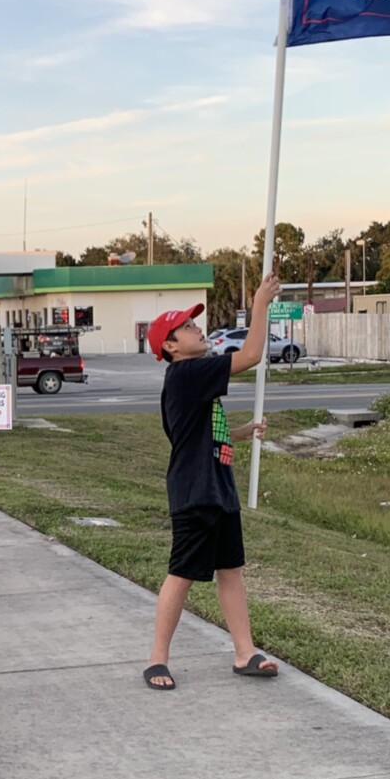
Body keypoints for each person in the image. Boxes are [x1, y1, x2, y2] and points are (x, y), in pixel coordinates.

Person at [142, 272, 282, 691]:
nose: (196, 328)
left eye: (193, 322)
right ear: (170, 346)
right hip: (195, 491)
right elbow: (252, 354)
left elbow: (201, 430)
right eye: (186, 326)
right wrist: (260, 304)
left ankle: (245, 652)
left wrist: (242, 431)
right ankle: (156, 660)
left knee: (231, 570)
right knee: (182, 573)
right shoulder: (187, 373)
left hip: (219, 488)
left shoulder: (193, 380)